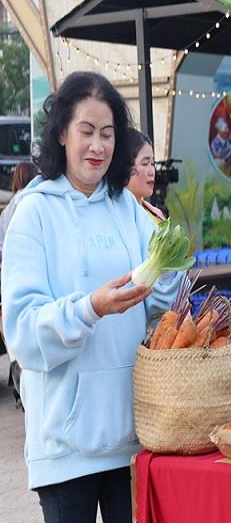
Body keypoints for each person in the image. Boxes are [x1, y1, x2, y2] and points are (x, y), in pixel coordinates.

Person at [1, 71, 182, 522]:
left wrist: (167, 264)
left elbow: (159, 311)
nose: (97, 147)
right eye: (86, 132)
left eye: (107, 134)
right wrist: (88, 309)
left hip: (131, 438)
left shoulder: (128, 209)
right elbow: (22, 331)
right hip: (64, 447)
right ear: (62, 133)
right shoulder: (34, 212)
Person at [0, 161, 38, 405]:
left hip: (9, 276)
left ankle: (20, 389)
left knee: (17, 338)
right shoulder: (32, 201)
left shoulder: (7, 210)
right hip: (27, 272)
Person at [126, 128, 165, 222]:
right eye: (145, 164)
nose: (152, 172)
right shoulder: (117, 216)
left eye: (152, 164)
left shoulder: (156, 214)